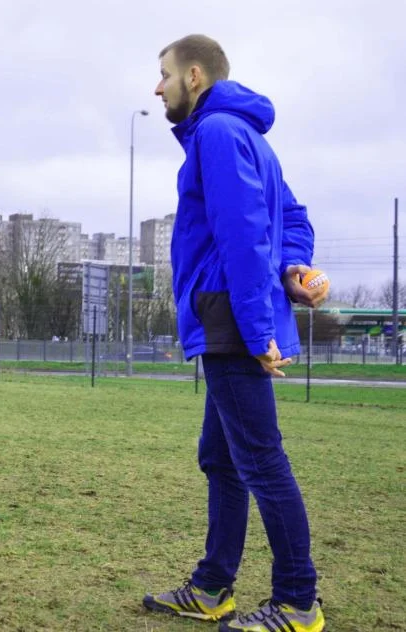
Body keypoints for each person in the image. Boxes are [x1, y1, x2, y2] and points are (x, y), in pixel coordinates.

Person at [141, 34, 330, 632]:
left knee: (261, 462)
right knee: (221, 459)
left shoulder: (219, 135)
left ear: (194, 77)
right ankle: (211, 586)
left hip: (229, 318)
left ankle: (298, 602)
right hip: (231, 315)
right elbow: (293, 219)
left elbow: (245, 237)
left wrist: (254, 329)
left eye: (164, 74)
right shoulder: (243, 137)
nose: (157, 86)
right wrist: (295, 268)